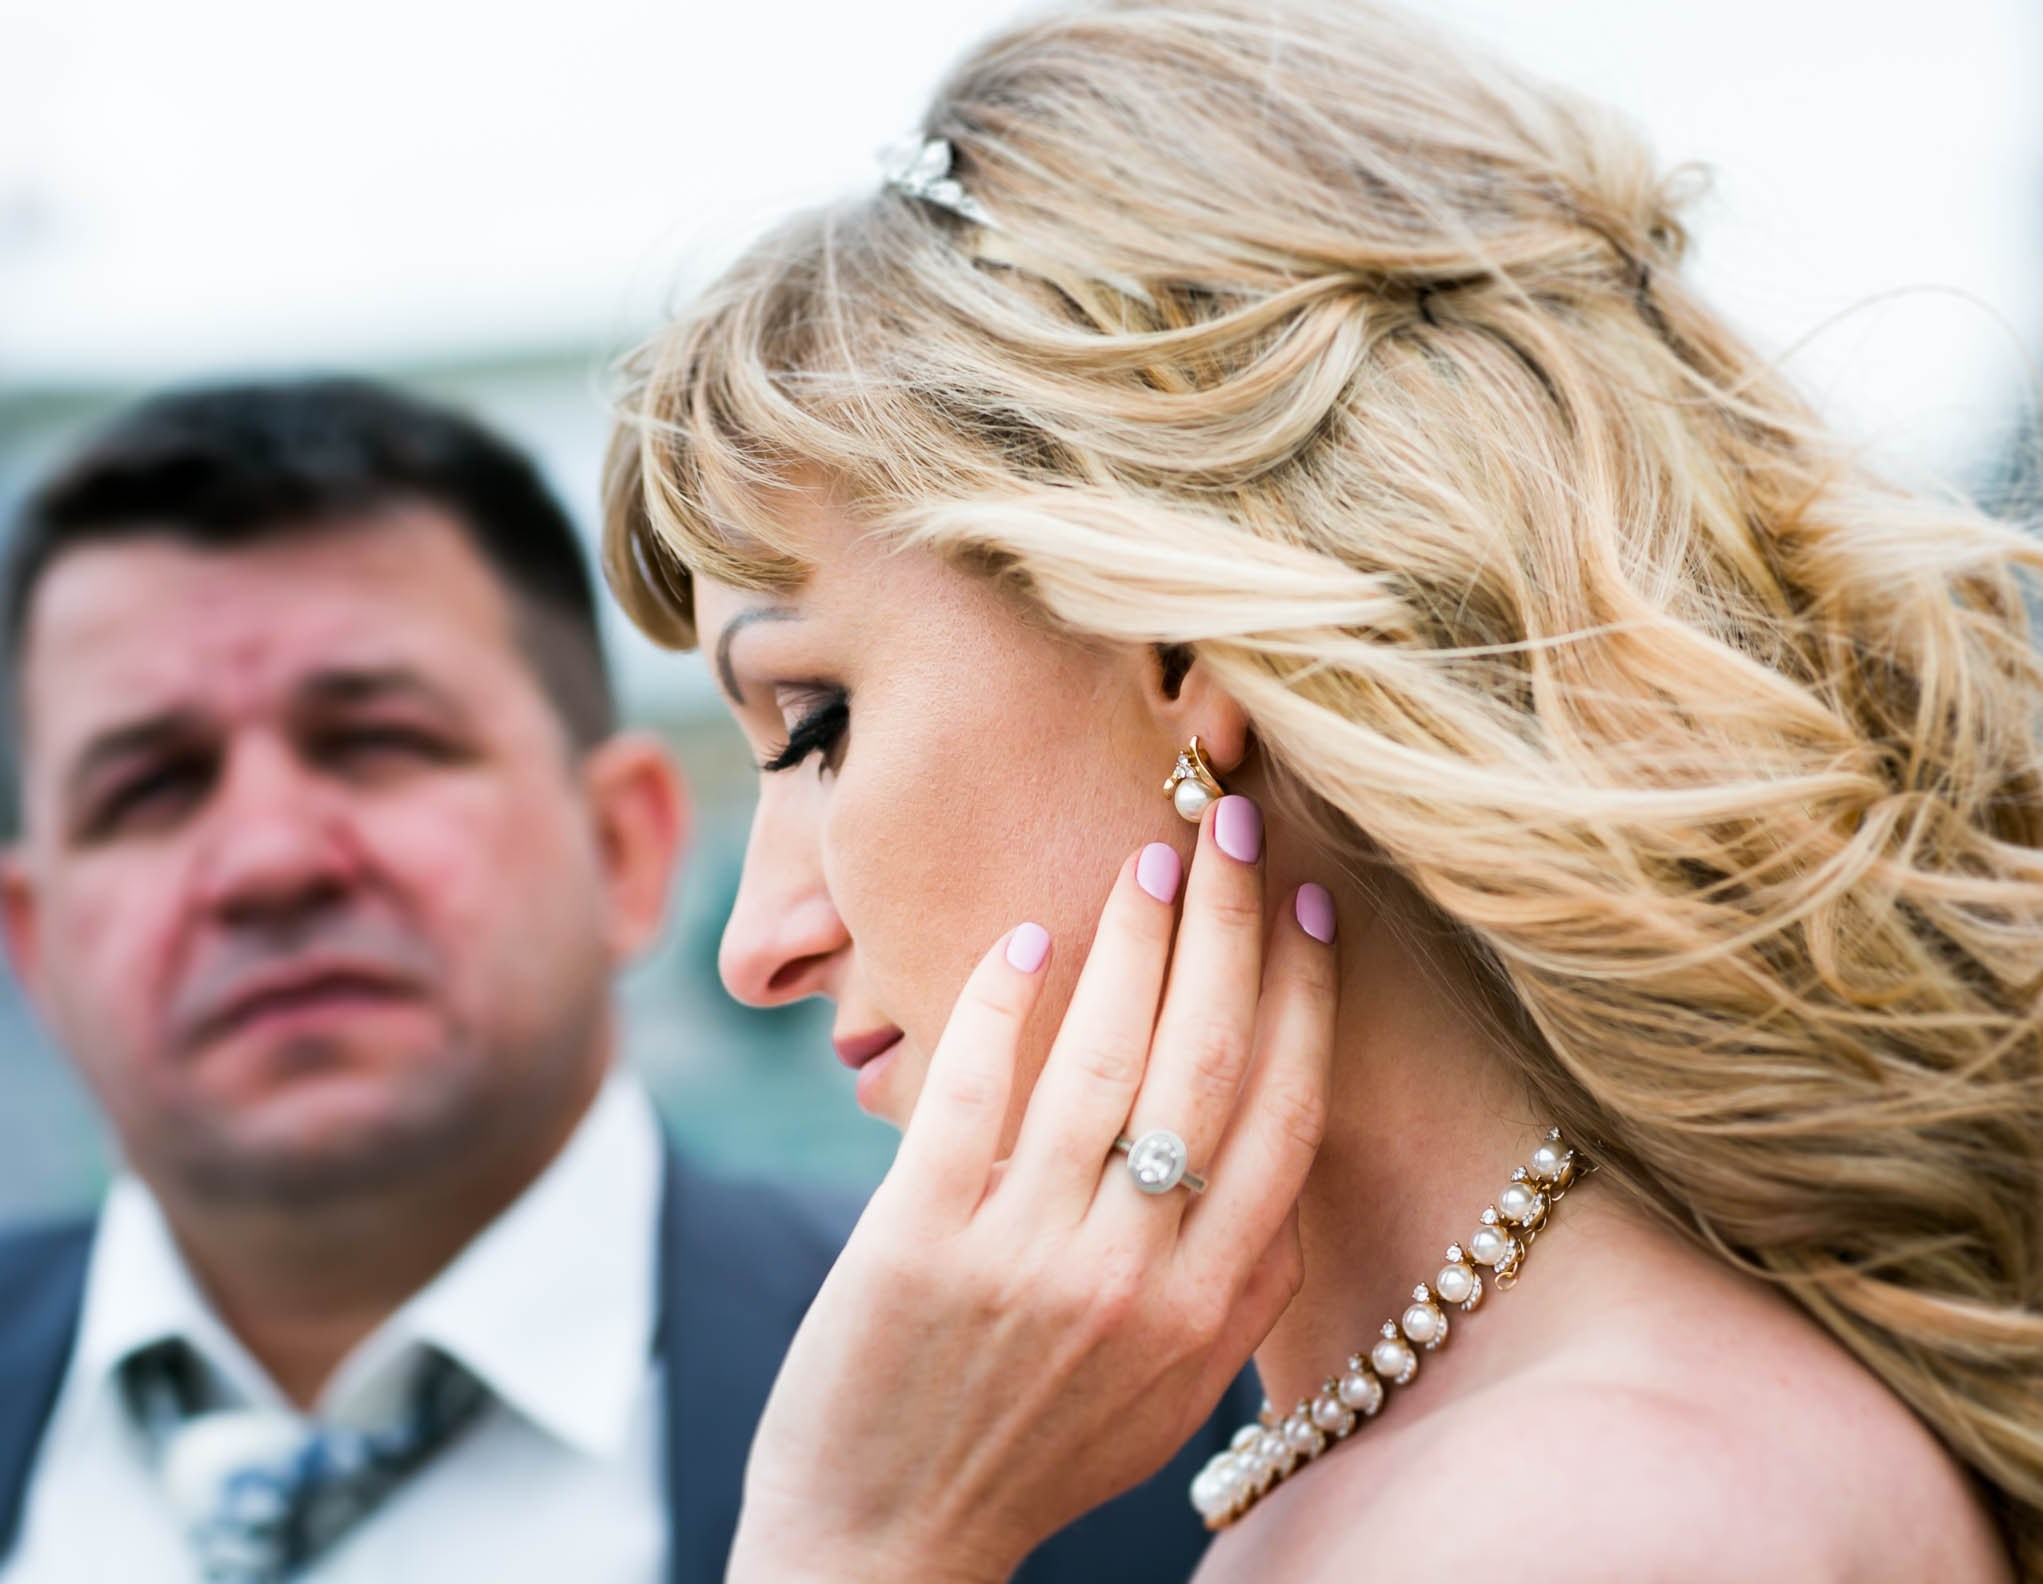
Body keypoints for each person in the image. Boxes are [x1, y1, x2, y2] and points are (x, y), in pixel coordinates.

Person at [600, 1, 2043, 1580]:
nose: (761, 942)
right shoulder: (1497, 1444)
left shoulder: (1561, 1513)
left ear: (1183, 646)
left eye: (814, 720)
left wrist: (848, 1536)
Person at [0, 377, 1246, 1584]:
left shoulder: (1146, 1420)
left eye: (377, 742)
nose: (270, 863)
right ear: (30, 938)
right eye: (147, 789)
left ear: (627, 847)